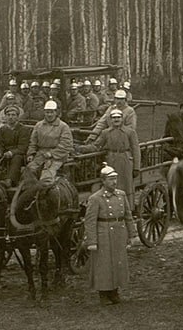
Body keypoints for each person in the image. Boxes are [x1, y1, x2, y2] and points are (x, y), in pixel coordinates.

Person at [84, 166, 136, 305]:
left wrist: (132, 234)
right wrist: (92, 241)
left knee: (118, 263)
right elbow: (90, 221)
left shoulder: (121, 195)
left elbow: (128, 216)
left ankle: (114, 292)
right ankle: (103, 294)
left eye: (115, 179)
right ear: (103, 181)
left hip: (119, 233)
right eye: (111, 179)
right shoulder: (95, 198)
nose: (114, 182)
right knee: (104, 265)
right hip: (103, 234)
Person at [91, 109, 141, 209]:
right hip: (111, 160)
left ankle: (128, 208)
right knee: (110, 183)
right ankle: (111, 207)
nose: (116, 120)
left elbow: (136, 149)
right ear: (110, 119)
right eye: (114, 118)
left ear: (122, 119)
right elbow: (96, 146)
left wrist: (136, 167)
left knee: (126, 185)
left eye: (118, 117)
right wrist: (81, 148)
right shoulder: (106, 132)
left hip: (125, 160)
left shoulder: (130, 132)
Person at [25, 100, 74, 185]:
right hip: (41, 154)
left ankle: (45, 194)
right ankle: (32, 193)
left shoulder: (63, 126)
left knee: (46, 177)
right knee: (29, 171)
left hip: (57, 157)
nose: (49, 115)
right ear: (44, 112)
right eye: (47, 112)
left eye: (51, 112)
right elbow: (33, 142)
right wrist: (31, 154)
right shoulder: (39, 125)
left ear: (56, 112)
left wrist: (52, 153)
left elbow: (66, 145)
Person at [0, 105, 29, 186]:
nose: (10, 117)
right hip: (4, 153)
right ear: (5, 117)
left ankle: (10, 180)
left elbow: (23, 147)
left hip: (18, 154)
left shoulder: (23, 129)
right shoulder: (2, 129)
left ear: (17, 117)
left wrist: (11, 153)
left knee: (16, 159)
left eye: (13, 115)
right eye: (8, 115)